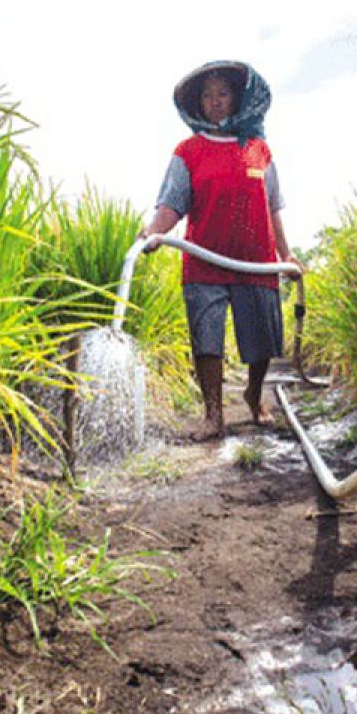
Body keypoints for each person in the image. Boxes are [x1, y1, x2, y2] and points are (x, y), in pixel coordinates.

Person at [139, 60, 302, 441]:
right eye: (207, 96)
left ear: (237, 99)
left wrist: (286, 254)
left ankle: (253, 393)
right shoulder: (189, 150)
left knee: (262, 338)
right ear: (198, 104)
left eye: (222, 94)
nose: (215, 102)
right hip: (204, 260)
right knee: (206, 338)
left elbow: (273, 206)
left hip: (256, 261)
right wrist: (154, 232)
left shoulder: (259, 150)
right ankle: (213, 413)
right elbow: (171, 204)